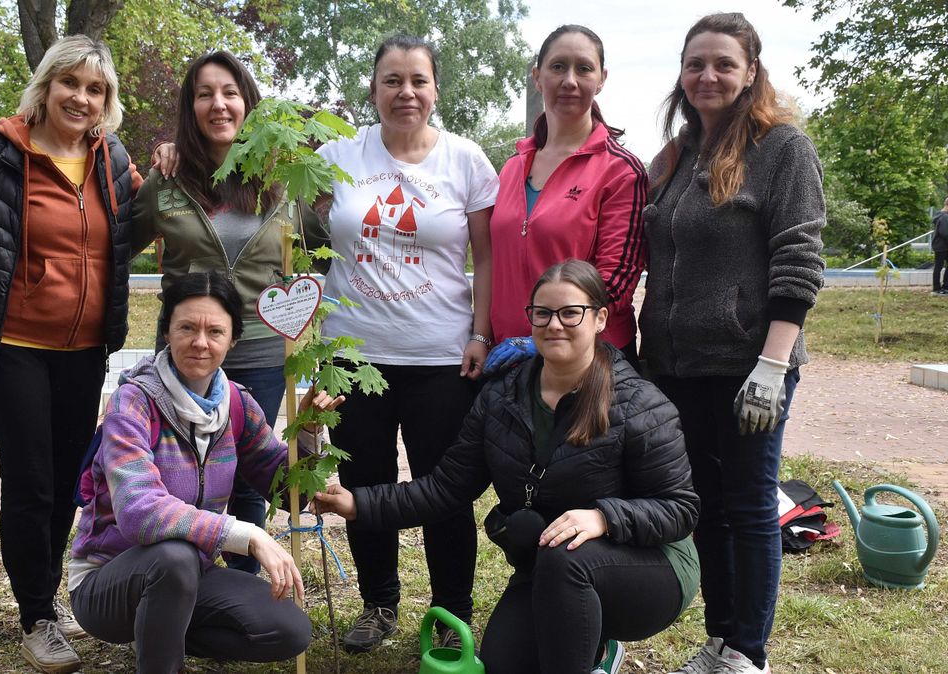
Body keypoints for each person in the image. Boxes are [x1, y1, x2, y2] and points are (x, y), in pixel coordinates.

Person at [313, 259, 700, 674]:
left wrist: (604, 517)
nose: (555, 325)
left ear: (600, 318)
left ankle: (589, 653)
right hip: (550, 567)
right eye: (542, 313)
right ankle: (591, 644)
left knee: (566, 560)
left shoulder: (639, 403)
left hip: (649, 567)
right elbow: (446, 489)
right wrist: (358, 503)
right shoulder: (501, 398)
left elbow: (679, 509)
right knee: (500, 663)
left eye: (571, 313)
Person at [0, 35, 142, 674]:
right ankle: (38, 616)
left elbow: (157, 220)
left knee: (64, 483)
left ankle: (48, 598)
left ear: (106, 102)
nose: (81, 99)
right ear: (47, 86)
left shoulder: (111, 160)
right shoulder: (4, 152)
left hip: (84, 350)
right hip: (17, 346)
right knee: (30, 481)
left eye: (96, 90)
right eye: (71, 85)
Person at [639, 13, 826, 674]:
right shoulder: (681, 154)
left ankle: (749, 653)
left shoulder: (782, 148)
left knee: (749, 505)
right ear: (682, 75)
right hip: (676, 365)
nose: (708, 76)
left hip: (749, 364)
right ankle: (720, 640)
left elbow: (799, 259)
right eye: (696, 64)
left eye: (723, 63)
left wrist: (773, 366)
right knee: (707, 508)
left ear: (751, 72)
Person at [313, 33, 499, 652]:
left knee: (443, 488)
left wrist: (480, 331)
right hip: (351, 357)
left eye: (418, 80)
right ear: (373, 89)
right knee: (361, 486)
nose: (406, 92)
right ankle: (379, 603)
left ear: (435, 89)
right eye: (392, 80)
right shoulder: (340, 153)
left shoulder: (466, 160)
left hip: (442, 357)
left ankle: (451, 614)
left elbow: (488, 256)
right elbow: (267, 181)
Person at [68, 271, 343, 674]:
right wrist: (247, 535)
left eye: (215, 331)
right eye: (186, 328)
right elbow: (140, 513)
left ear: (232, 340)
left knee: (288, 629)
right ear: (166, 333)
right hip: (107, 581)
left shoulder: (234, 404)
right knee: (173, 557)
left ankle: (160, 629)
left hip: (189, 576)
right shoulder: (134, 403)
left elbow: (282, 484)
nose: (200, 342)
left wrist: (308, 434)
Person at [132, 51, 329, 575]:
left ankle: (237, 589)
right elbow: (110, 249)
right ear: (189, 106)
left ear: (248, 103)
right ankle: (179, 584)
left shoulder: (285, 181)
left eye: (229, 92)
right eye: (204, 94)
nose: (218, 104)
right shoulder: (165, 182)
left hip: (264, 354)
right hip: (184, 355)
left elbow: (326, 252)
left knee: (247, 478)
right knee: (178, 474)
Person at [485, 25, 646, 374]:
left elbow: (615, 282)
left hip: (588, 364)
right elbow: (494, 264)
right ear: (538, 77)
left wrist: (543, 335)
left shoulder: (620, 170)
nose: (569, 80)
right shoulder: (512, 167)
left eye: (583, 68)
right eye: (558, 67)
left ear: (601, 79)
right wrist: (482, 336)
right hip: (508, 359)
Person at [932, 197, 948, 295]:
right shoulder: (944, 217)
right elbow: (945, 233)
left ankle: (942, 287)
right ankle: (938, 288)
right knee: (938, 266)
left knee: (938, 266)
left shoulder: (940, 215)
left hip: (941, 245)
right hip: (942, 246)